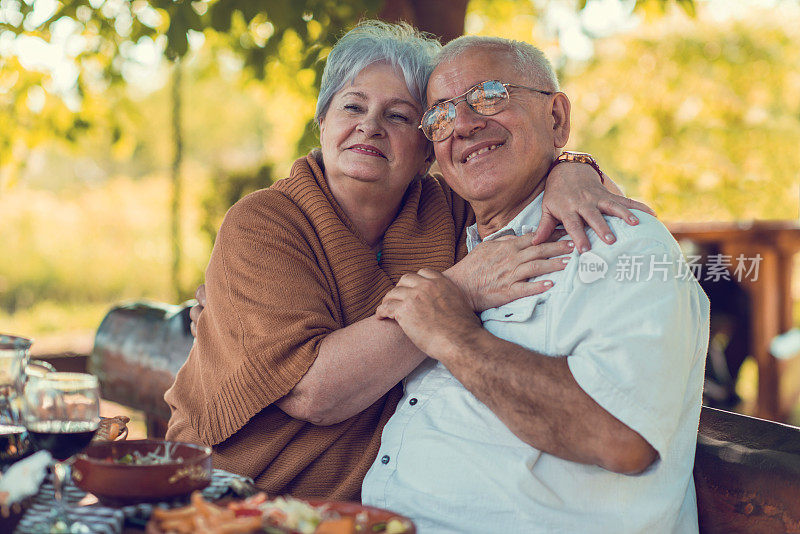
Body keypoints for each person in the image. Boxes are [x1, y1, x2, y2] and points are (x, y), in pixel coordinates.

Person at [166, 22, 651, 501]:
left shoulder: (449, 206)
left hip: (371, 505)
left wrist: (574, 170)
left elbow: (584, 197)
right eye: (352, 106)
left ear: (429, 148)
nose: (370, 126)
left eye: (399, 116)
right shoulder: (264, 223)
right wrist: (459, 290)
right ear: (322, 124)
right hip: (235, 495)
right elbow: (313, 392)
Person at [363, 36, 710, 533]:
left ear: (557, 119)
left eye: (490, 95)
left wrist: (454, 337)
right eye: (439, 114)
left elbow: (621, 436)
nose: (462, 124)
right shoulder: (448, 243)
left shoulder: (623, 247)